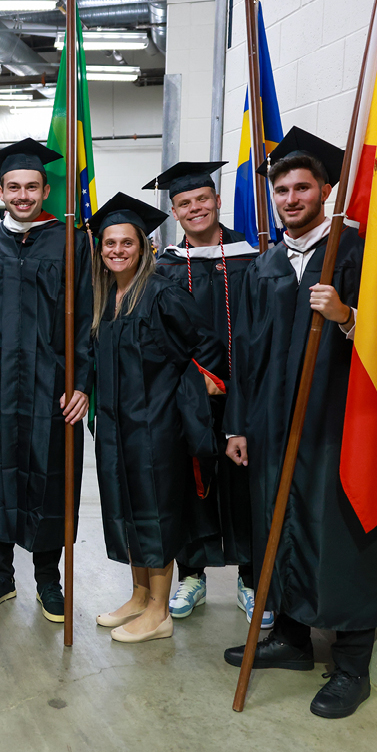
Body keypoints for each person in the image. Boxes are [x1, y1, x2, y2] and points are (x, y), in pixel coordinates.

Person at [223, 128, 377, 719]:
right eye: (282, 190)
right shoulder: (265, 265)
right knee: (277, 526)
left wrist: (346, 315)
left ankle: (352, 667)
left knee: (340, 536)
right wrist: (237, 426)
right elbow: (244, 353)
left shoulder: (353, 252)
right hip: (269, 426)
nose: (291, 198)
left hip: (335, 425)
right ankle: (292, 641)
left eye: (302, 187)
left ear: (326, 189)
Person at [88, 192, 226, 643]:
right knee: (127, 508)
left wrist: (189, 392)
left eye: (127, 243)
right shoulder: (106, 295)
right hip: (115, 422)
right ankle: (140, 595)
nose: (117, 251)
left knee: (155, 512)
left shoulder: (164, 292)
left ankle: (160, 612)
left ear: (143, 247)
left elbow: (204, 347)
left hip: (156, 426)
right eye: (110, 244)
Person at [0, 139, 92, 623]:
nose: (22, 195)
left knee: (49, 476)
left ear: (45, 190)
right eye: (13, 187)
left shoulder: (71, 240)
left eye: (31, 187)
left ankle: (47, 579)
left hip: (51, 385)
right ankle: (1, 576)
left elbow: (86, 317)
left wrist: (81, 382)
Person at [148, 162, 267, 627]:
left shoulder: (253, 259)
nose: (195, 208)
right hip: (189, 392)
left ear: (217, 201)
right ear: (174, 211)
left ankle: (251, 576)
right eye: (184, 203)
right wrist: (194, 376)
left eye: (202, 199)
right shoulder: (165, 267)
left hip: (247, 389)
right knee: (188, 480)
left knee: (246, 482)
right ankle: (191, 574)